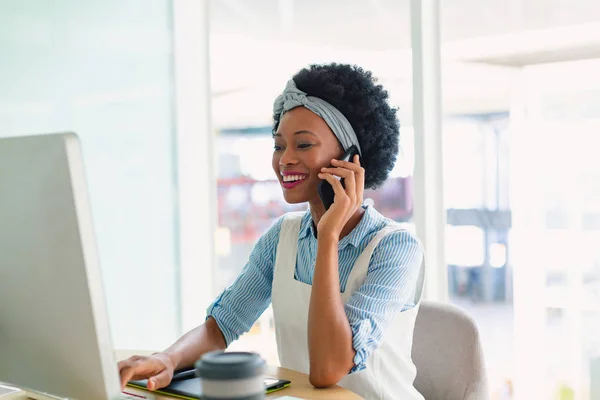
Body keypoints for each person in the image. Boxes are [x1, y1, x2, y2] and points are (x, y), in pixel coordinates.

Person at [118, 63, 425, 400]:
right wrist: (167, 359)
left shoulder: (396, 248)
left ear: (351, 158)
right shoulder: (283, 236)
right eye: (279, 146)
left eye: (303, 145)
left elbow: (327, 370)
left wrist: (328, 238)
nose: (285, 160)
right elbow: (223, 325)